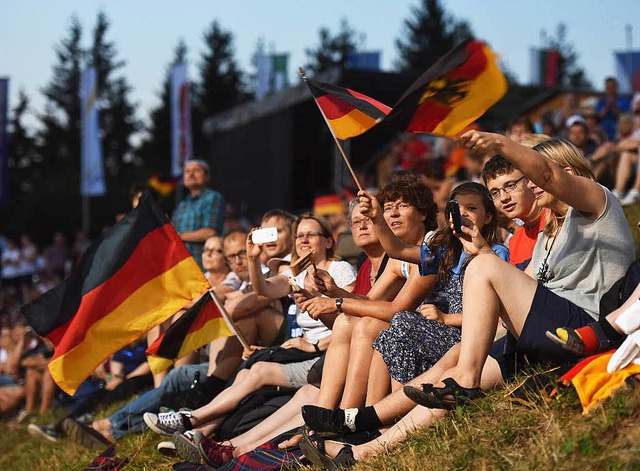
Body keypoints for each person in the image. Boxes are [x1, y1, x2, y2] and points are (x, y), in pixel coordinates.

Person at [300, 133, 636, 468]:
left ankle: (464, 383)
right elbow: (522, 291)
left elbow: (547, 176)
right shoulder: (552, 234)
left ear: (566, 171)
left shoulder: (597, 203)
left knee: (470, 310)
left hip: (582, 328)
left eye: (529, 179)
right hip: (549, 330)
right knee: (457, 362)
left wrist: (499, 145)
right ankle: (363, 445)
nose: (532, 187)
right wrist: (485, 255)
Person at [142, 214, 356, 437]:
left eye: (310, 235)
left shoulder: (340, 269)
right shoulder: (297, 274)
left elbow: (351, 319)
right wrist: (253, 259)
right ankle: (199, 433)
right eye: (299, 236)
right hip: (300, 350)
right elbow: (264, 289)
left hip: (326, 354)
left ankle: (191, 419)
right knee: (246, 372)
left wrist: (314, 344)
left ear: (328, 241)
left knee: (256, 370)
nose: (303, 240)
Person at [172, 159, 225, 270]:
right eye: (187, 171)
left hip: (202, 267)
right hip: (180, 267)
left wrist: (179, 236)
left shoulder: (213, 198)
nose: (191, 174)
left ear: (207, 176)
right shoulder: (182, 204)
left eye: (196, 171)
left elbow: (210, 232)